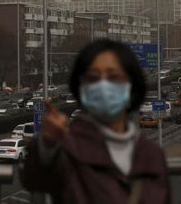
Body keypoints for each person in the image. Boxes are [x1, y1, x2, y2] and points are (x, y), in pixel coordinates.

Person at [20, 39, 170, 204]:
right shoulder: (67, 151)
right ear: (81, 87)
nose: (104, 86)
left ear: (131, 85)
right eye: (93, 78)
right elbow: (34, 179)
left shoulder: (152, 156)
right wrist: (47, 143)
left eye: (113, 77)